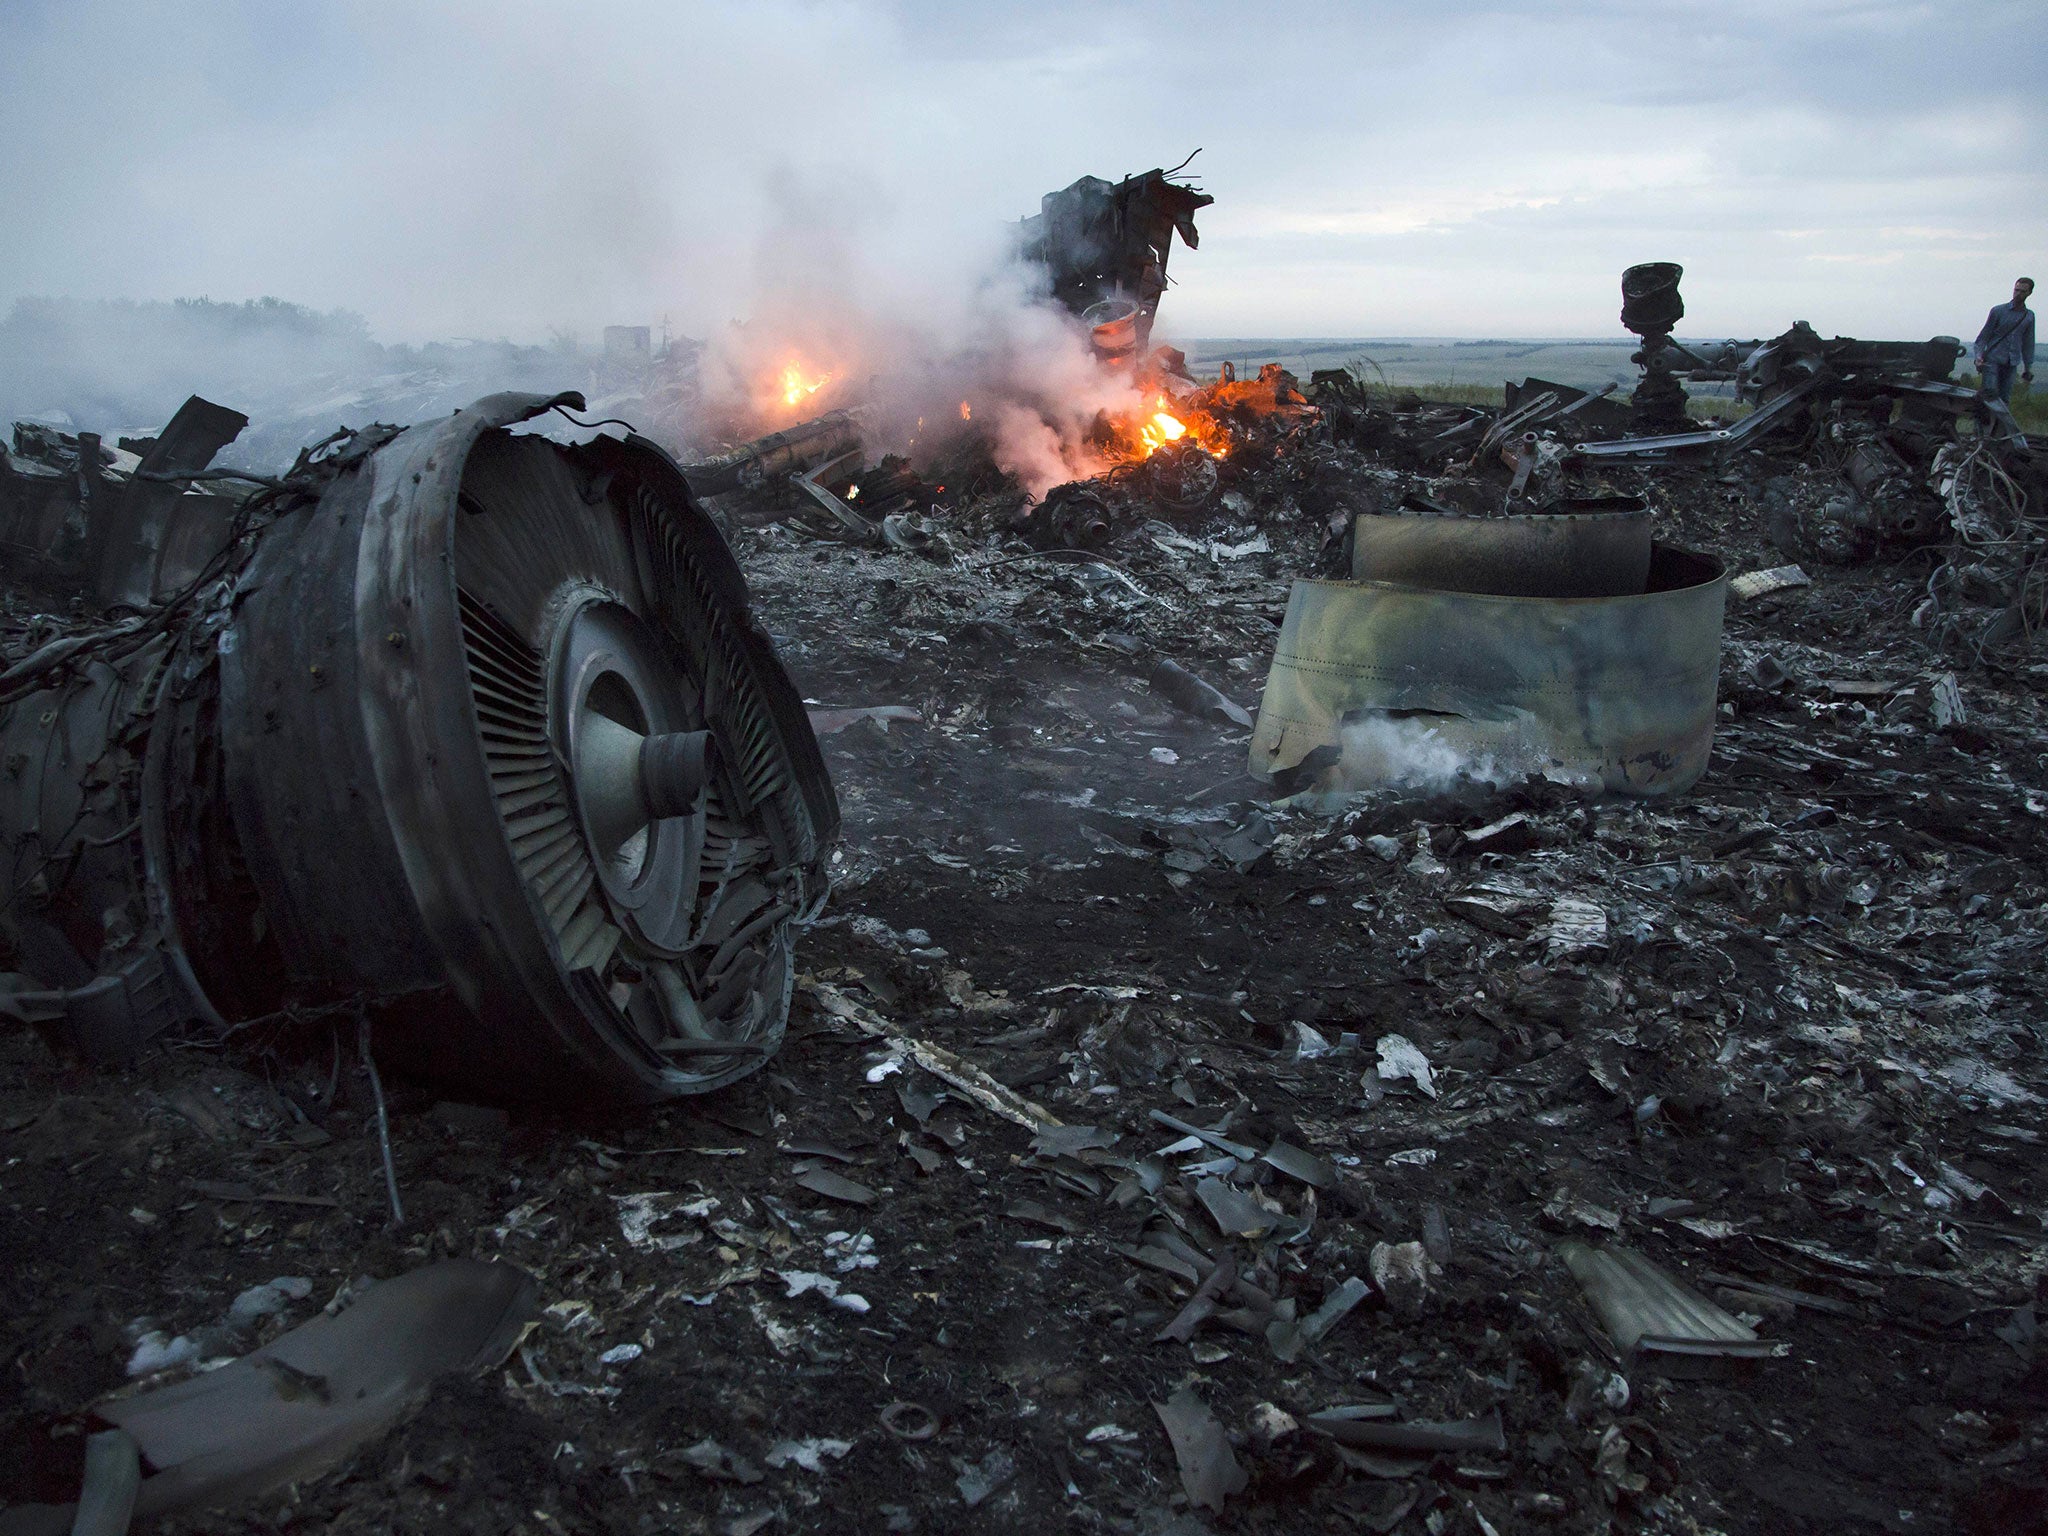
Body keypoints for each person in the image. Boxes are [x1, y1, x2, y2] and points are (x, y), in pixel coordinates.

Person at [1973, 278, 2035, 402]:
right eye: (2016, 290)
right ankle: (1983, 421)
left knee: (2004, 398)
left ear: (2029, 293)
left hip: (2012, 362)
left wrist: (2028, 368)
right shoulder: (1998, 311)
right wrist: (1978, 356)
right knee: (1989, 396)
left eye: (2022, 291)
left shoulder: (2029, 316)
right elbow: (1983, 337)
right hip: (1993, 360)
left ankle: (1998, 422)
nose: (2018, 294)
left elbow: (2028, 343)